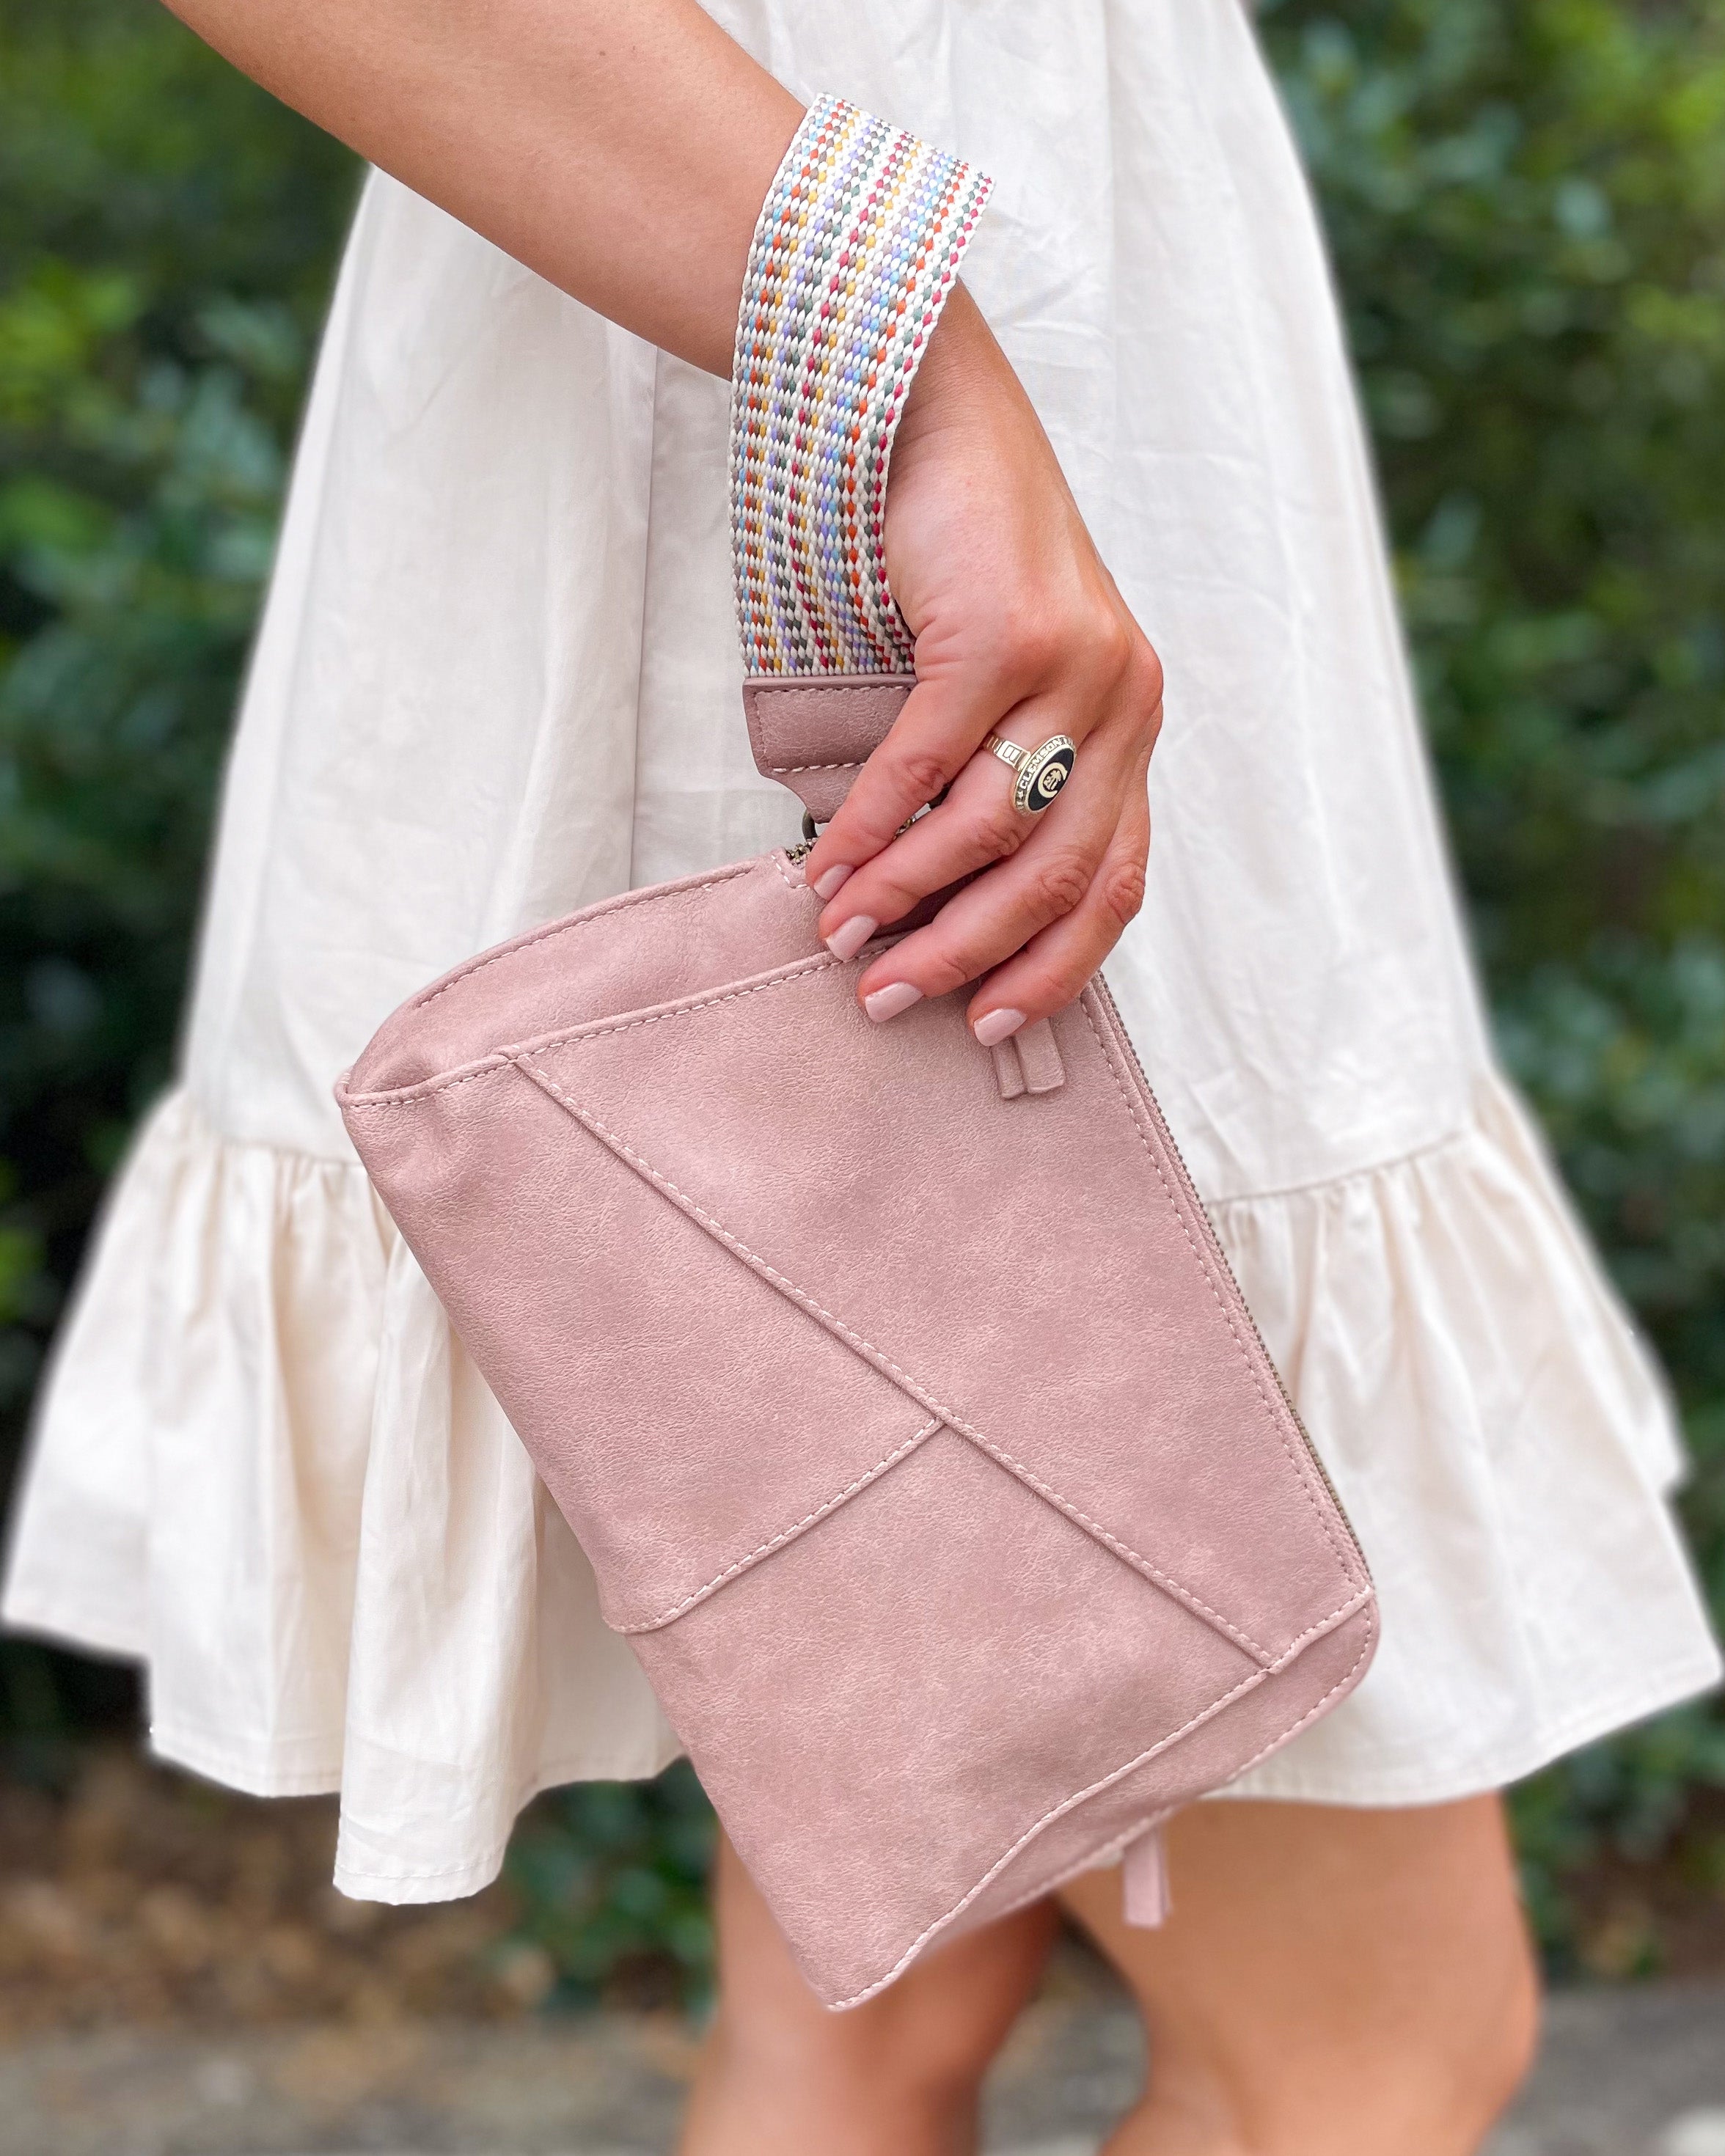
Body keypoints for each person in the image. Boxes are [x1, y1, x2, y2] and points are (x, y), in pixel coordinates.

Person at [4, 3, 1718, 2150]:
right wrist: (902, 348)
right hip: (795, 339)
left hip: (960, 345)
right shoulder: (898, 357)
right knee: (1363, 2059)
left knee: (882, 2014)